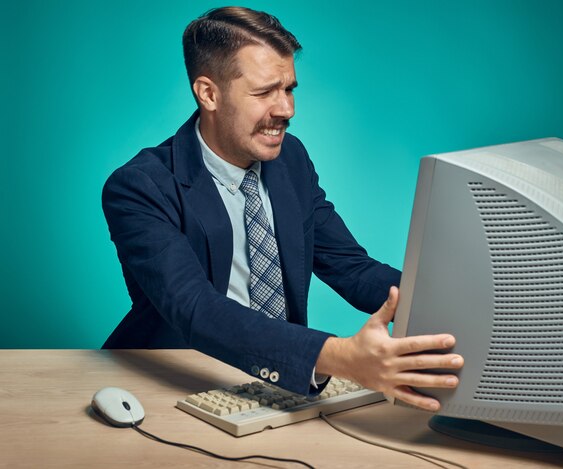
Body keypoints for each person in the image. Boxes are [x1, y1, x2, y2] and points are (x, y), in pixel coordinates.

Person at [102, 6, 463, 410]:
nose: (286, 109)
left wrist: (453, 307)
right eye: (264, 92)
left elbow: (350, 267)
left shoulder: (290, 159)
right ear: (208, 93)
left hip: (282, 385)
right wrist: (339, 357)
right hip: (171, 387)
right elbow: (195, 308)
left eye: (289, 89)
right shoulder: (139, 186)